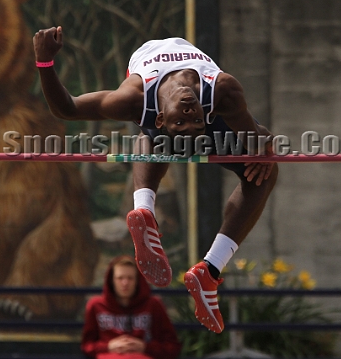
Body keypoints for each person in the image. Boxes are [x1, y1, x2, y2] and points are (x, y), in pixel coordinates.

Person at [34, 27, 278, 333]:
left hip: (183, 123)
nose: (190, 113)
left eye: (189, 119)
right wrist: (265, 143)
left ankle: (203, 265)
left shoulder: (138, 100)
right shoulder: (220, 91)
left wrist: (44, 62)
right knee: (158, 136)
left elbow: (66, 109)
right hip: (181, 124)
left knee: (262, 171)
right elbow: (258, 134)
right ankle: (174, 237)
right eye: (187, 120)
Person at [81, 255, 181, 359]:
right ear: (111, 281)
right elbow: (87, 346)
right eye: (120, 278)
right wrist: (108, 346)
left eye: (130, 278)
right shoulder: (96, 305)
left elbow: (172, 346)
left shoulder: (153, 305)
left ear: (138, 281)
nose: (125, 283)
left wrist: (145, 347)